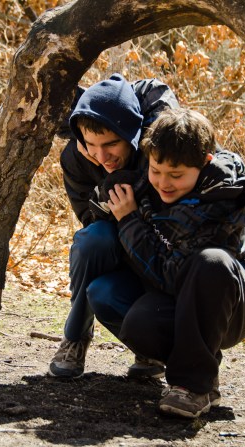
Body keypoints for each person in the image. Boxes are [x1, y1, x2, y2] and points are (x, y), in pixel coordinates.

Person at [102, 108, 245, 418]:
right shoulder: (145, 186)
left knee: (211, 261)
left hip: (232, 305)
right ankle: (204, 369)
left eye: (177, 175)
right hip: (183, 300)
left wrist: (128, 221)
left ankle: (193, 388)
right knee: (140, 325)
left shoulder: (225, 195)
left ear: (204, 163)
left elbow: (170, 275)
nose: (163, 183)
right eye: (156, 170)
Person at [49, 73, 179, 379]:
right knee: (93, 243)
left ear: (132, 134)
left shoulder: (157, 147)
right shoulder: (76, 159)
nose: (102, 156)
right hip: (117, 246)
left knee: (109, 289)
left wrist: (130, 209)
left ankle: (152, 347)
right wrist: (116, 201)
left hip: (161, 253)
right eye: (91, 145)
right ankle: (75, 338)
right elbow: (89, 220)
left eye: (111, 144)